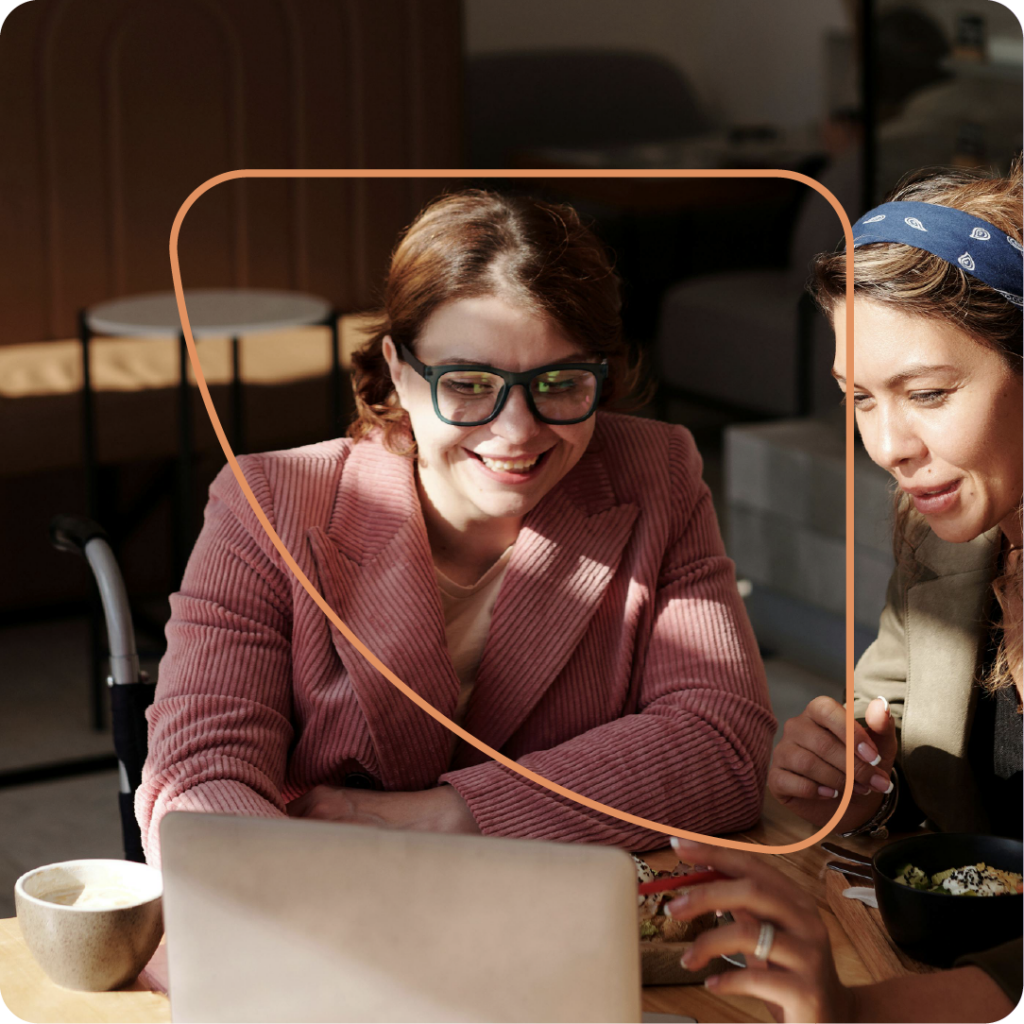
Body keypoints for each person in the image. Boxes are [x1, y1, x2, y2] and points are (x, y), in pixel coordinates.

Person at [136, 189, 776, 866]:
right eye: (469, 382)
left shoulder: (656, 473)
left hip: (565, 915)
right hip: (331, 908)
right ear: (398, 372)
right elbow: (197, 780)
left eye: (560, 381)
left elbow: (723, 745)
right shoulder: (268, 502)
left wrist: (451, 815)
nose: (517, 430)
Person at [714, 162, 1020, 1021]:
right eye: (859, 400)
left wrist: (864, 1015)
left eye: (927, 394)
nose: (888, 446)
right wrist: (858, 781)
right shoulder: (945, 537)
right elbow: (892, 745)